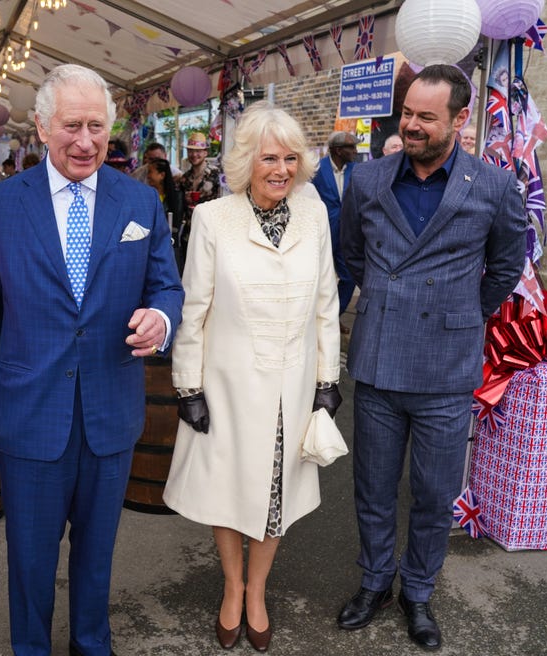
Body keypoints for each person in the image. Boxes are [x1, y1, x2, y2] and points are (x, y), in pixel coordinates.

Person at [0, 63, 183, 656]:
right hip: (28, 411)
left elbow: (167, 287)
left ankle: (93, 645)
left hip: (110, 411)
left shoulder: (139, 201)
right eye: (71, 126)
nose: (85, 141)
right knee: (30, 562)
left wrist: (161, 318)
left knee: (97, 557)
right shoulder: (1, 205)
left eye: (96, 126)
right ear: (41, 126)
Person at [337, 64, 525, 651]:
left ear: (460, 120)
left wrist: (458, 311)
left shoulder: (493, 188)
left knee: (434, 491)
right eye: (407, 114)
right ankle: (375, 582)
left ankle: (418, 591)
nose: (411, 125)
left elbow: (505, 271)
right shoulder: (367, 180)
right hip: (379, 359)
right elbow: (353, 258)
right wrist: (391, 299)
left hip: (446, 367)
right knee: (371, 485)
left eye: (425, 117)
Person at [163, 101, 341, 653]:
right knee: (228, 490)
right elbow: (194, 307)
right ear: (247, 161)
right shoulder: (215, 218)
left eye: (291, 158)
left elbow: (327, 303)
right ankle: (232, 587)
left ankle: (257, 591)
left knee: (274, 495)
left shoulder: (314, 219)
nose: (281, 169)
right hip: (229, 383)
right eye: (270, 157)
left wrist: (328, 378)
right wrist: (188, 385)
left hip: (293, 383)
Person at [311, 130, 358, 322]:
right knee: (318, 280)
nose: (355, 151)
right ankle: (312, 320)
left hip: (346, 234)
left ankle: (330, 318)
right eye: (351, 147)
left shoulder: (357, 170)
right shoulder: (316, 170)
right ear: (338, 150)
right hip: (321, 234)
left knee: (348, 277)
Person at [145, 157, 187, 267]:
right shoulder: (146, 196)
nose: (148, 176)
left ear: (162, 175)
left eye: (150, 172)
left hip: (169, 247)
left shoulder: (176, 197)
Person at [178, 131, 221, 210]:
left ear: (205, 153)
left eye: (198, 151)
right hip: (190, 221)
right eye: (191, 151)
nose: (194, 155)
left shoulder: (216, 174)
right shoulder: (184, 178)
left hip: (209, 220)